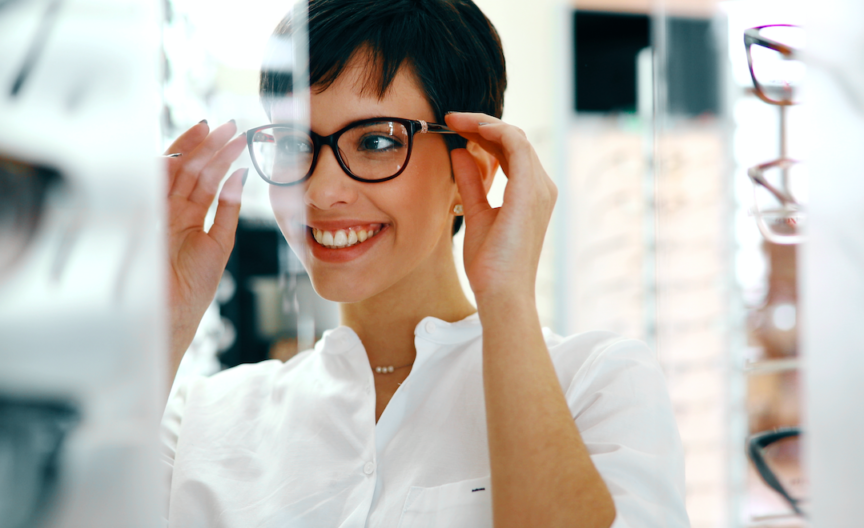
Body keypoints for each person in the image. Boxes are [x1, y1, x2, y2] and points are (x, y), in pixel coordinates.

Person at [160, 1, 689, 527]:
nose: (320, 191)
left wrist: (506, 294)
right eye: (296, 144)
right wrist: (165, 320)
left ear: (470, 172)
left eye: (375, 141)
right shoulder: (199, 419)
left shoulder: (596, 384)